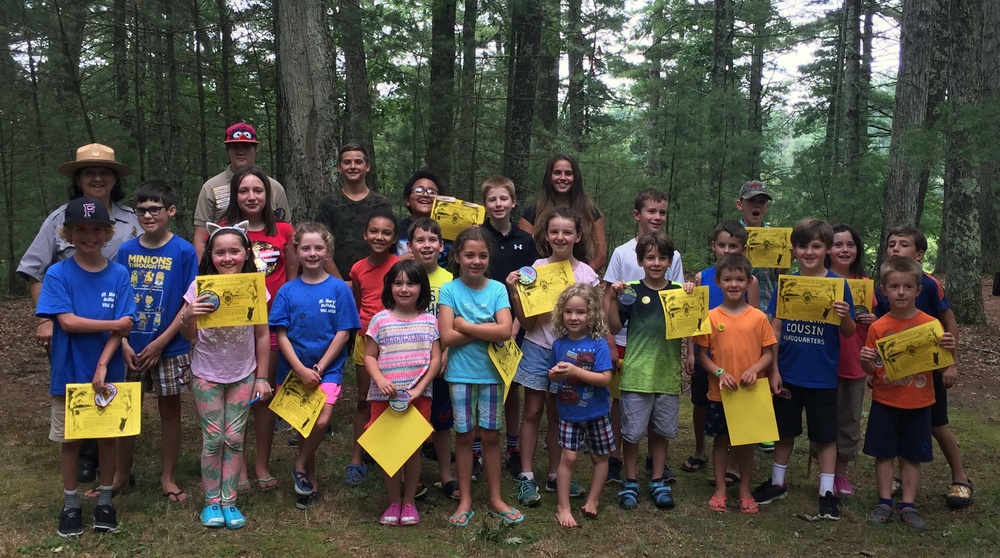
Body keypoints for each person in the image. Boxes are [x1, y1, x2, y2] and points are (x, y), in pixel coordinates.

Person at [18, 143, 141, 485]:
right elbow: (34, 270)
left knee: (112, 387)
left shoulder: (133, 220)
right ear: (78, 179)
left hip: (120, 321)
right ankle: (85, 458)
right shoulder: (59, 220)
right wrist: (46, 319)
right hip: (72, 322)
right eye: (90, 172)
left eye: (105, 172)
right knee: (76, 385)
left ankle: (114, 467)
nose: (98, 178)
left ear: (115, 179)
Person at [37, 197, 137, 537]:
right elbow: (67, 322)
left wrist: (104, 364)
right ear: (67, 233)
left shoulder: (119, 273)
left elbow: (124, 326)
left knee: (108, 439)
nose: (89, 235)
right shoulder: (57, 273)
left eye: (97, 229)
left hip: (108, 374)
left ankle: (105, 501)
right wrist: (112, 325)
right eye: (80, 229)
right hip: (68, 371)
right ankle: (70, 505)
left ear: (109, 233)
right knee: (71, 441)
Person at [752, 218, 856, 520]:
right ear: (793, 250)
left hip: (822, 376)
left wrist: (845, 315)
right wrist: (773, 369)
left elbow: (848, 332)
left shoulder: (839, 286)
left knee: (824, 435)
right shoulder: (788, 285)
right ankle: (777, 482)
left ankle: (826, 490)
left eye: (816, 246)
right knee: (784, 431)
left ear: (826, 250)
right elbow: (776, 329)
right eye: (803, 246)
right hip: (789, 373)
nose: (809, 252)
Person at [180, 221, 272, 529]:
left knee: (234, 438)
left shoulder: (255, 287)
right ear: (211, 255)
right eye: (220, 252)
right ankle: (211, 502)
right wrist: (188, 315)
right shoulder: (198, 287)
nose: (228, 258)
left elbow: (262, 336)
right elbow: (187, 336)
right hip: (206, 373)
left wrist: (261, 376)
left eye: (234, 251)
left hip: (243, 374)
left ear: (247, 254)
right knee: (213, 438)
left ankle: (229, 501)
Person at [507, 208, 600, 507]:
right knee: (532, 412)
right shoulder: (535, 269)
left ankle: (554, 475)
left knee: (559, 415)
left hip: (572, 353)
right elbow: (530, 322)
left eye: (567, 232)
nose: (561, 237)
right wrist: (515, 294)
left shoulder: (587, 275)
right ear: (546, 236)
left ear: (578, 236)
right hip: (538, 347)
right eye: (554, 232)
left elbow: (594, 323)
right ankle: (526, 476)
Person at [875, 226, 970, 509]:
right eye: (891, 243)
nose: (895, 249)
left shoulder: (928, 284)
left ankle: (960, 478)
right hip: (897, 372)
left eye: (903, 244)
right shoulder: (884, 285)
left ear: (918, 254)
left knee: (936, 424)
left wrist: (951, 364)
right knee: (897, 425)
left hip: (929, 370)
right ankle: (898, 482)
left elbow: (948, 323)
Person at [115, 181, 197, 502]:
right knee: (126, 408)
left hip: (170, 346)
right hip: (130, 346)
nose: (148, 215)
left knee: (170, 410)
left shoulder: (184, 251)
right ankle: (121, 474)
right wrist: (122, 342)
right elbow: (119, 299)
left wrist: (162, 342)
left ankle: (168, 476)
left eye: (155, 209)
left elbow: (188, 303)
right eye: (142, 210)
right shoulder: (126, 250)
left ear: (170, 212)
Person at [861, 256, 957, 531]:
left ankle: (908, 504)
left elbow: (942, 364)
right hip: (885, 400)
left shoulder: (931, 325)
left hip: (919, 401)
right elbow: (871, 367)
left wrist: (950, 361)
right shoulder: (878, 326)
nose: (900, 292)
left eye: (907, 287)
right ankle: (883, 502)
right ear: (884, 290)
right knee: (884, 453)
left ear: (918, 290)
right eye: (894, 287)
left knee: (912, 455)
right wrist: (865, 358)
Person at [270, 223, 359, 510]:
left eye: (318, 248)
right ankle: (308, 482)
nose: (312, 253)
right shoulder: (286, 291)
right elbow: (280, 334)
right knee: (303, 426)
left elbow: (344, 332)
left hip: (328, 368)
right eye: (305, 248)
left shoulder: (339, 289)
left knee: (320, 420)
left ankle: (298, 463)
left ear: (328, 251)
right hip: (293, 369)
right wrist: (299, 369)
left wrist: (319, 368)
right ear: (296, 251)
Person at [438, 226, 522, 527]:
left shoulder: (498, 289)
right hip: (460, 374)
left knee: (490, 435)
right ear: (457, 257)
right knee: (464, 436)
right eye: (469, 255)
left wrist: (465, 324)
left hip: (492, 375)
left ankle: (496, 497)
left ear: (489, 258)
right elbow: (446, 334)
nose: (476, 261)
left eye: (482, 255)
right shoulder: (449, 289)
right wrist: (482, 328)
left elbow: (504, 330)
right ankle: (465, 499)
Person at [221, 165, 297, 493]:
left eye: (258, 190)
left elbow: (293, 278)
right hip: (233, 327)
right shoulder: (225, 230)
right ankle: (235, 466)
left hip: (273, 323)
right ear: (234, 196)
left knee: (264, 395)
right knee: (234, 399)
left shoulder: (284, 231)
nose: (251, 197)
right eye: (244, 191)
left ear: (268, 196)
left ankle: (262, 464)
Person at [603, 188, 684, 483]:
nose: (656, 262)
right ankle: (621, 468)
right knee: (625, 409)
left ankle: (657, 471)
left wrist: (688, 293)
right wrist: (613, 301)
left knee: (659, 419)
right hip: (630, 349)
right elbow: (610, 311)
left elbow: (684, 312)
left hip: (665, 358)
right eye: (652, 211)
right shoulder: (622, 256)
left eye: (662, 212)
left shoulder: (673, 265)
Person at [693, 253, 776, 514]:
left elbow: (769, 354)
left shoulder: (759, 318)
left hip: (750, 392)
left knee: (745, 443)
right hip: (721, 393)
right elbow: (701, 356)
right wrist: (719, 372)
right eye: (728, 279)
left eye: (740, 279)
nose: (734, 284)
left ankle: (744, 489)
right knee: (721, 440)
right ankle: (719, 489)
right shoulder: (709, 317)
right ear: (717, 282)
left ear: (749, 281)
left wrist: (754, 369)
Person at [364, 261, 442, 526]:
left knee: (412, 450)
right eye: (398, 283)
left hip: (417, 398)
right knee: (389, 451)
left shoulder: (431, 322)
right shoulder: (379, 320)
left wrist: (420, 389)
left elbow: (435, 360)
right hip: (383, 398)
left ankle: (409, 501)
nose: (405, 289)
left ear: (423, 288)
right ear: (389, 287)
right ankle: (393, 500)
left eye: (411, 283)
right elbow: (369, 356)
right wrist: (379, 378)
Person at [681, 221, 759, 484]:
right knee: (701, 402)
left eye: (733, 246)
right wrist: (691, 352)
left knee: (737, 407)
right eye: (722, 245)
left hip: (739, 357)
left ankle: (735, 462)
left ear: (743, 249)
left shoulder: (751, 281)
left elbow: (757, 320)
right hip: (707, 354)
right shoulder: (703, 278)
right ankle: (700, 449)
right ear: (713, 246)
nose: (726, 250)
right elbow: (694, 319)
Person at [480, 176, 539, 477]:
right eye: (492, 199)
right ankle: (478, 447)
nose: (498, 204)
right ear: (485, 204)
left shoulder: (526, 241)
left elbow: (531, 287)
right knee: (482, 384)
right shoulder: (477, 237)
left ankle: (513, 445)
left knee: (511, 386)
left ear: (513, 202)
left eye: (504, 199)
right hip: (481, 325)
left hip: (517, 326)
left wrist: (515, 325)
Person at [547, 284, 615, 527]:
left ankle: (593, 500)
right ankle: (562, 506)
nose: (574, 318)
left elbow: (605, 379)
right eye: (568, 312)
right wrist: (555, 375)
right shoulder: (559, 345)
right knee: (569, 458)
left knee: (600, 457)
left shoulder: (598, 344)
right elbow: (554, 376)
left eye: (580, 312)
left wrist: (576, 371)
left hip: (597, 411)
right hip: (569, 412)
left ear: (592, 314)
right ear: (561, 314)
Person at [347, 209, 401, 484]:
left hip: (397, 340)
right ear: (365, 235)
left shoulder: (400, 265)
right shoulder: (357, 268)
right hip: (366, 339)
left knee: (394, 398)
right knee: (364, 399)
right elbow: (358, 301)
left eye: (386, 233)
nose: (379, 237)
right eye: (374, 231)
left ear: (394, 238)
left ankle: (391, 454)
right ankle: (357, 458)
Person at [408, 218, 459, 500]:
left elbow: (454, 323)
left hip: (441, 363)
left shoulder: (450, 280)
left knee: (441, 421)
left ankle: (446, 475)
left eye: (432, 240)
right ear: (410, 246)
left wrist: (446, 354)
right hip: (410, 361)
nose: (426, 245)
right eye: (420, 240)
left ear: (441, 246)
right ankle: (409, 476)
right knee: (410, 418)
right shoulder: (404, 277)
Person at [826, 224, 876, 497]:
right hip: (824, 362)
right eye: (837, 244)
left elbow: (881, 328)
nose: (844, 250)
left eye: (850, 245)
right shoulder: (819, 278)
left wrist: (874, 321)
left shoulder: (867, 285)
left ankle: (841, 475)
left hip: (854, 363)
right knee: (825, 419)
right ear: (827, 249)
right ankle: (825, 472)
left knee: (850, 420)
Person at [193, 123, 290, 260]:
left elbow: (287, 238)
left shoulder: (274, 187)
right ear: (227, 150)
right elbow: (201, 239)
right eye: (235, 147)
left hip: (269, 261)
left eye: (246, 146)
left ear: (256, 149)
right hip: (227, 267)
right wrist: (204, 273)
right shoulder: (211, 187)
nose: (241, 151)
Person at [314, 144, 394, 282]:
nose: (352, 166)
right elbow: (321, 247)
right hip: (336, 282)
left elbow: (388, 245)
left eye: (358, 162)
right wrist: (341, 284)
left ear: (367, 167)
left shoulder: (381, 203)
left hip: (375, 281)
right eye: (347, 162)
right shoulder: (328, 204)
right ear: (339, 167)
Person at [518, 154, 607, 270]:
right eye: (557, 172)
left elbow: (601, 256)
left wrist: (581, 279)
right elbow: (521, 252)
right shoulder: (533, 212)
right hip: (542, 281)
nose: (563, 177)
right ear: (549, 176)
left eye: (568, 173)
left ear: (576, 177)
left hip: (579, 284)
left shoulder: (590, 212)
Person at [395, 170, 451, 266]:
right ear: (407, 200)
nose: (425, 195)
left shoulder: (451, 229)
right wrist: (397, 261)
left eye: (432, 192)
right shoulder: (395, 229)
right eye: (419, 190)